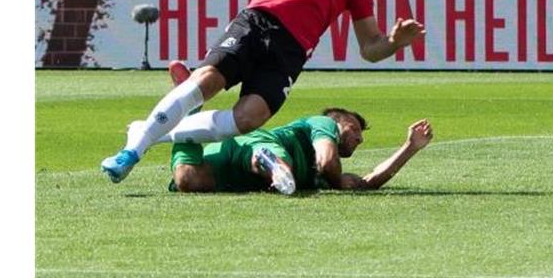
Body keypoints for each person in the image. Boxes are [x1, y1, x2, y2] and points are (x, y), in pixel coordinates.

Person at [100, 0, 427, 183]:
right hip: (257, 22)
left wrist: (395, 42)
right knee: (206, 81)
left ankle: (147, 130)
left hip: (292, 52)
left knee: (249, 118)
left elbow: (370, 48)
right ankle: (132, 151)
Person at [168, 96, 433, 194]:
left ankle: (188, 120)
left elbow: (367, 182)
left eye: (360, 136)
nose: (359, 137)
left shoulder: (327, 178)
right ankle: (269, 161)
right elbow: (327, 161)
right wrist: (337, 179)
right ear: (335, 122)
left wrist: (409, 147)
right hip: (255, 145)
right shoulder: (321, 123)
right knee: (283, 162)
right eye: (353, 128)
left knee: (187, 180)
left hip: (230, 175)